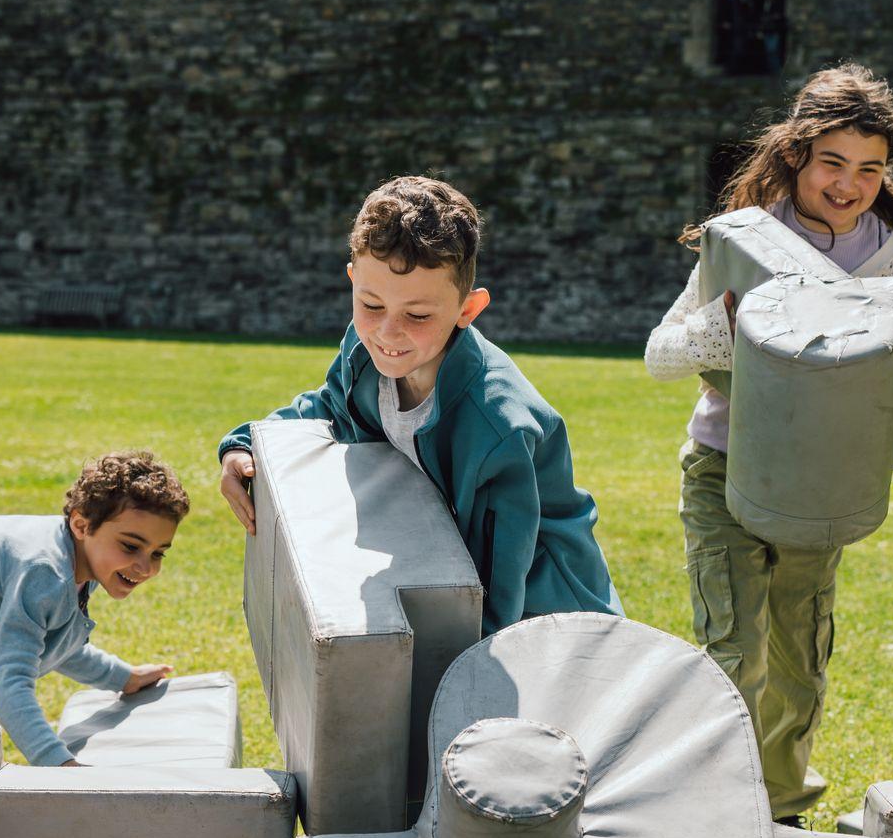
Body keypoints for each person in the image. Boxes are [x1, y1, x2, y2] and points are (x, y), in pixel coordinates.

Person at [645, 63, 893, 826]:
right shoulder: (743, 238)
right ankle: (718, 811)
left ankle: (781, 813)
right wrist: (722, 327)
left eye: (870, 169)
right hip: (723, 468)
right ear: (798, 153)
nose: (849, 184)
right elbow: (659, 354)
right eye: (833, 162)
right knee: (735, 655)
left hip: (823, 482)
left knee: (799, 664)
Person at [217, 176, 620, 635]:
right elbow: (329, 406)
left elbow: (502, 572)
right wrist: (246, 444)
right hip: (442, 573)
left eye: (418, 315)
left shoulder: (499, 426)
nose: (388, 333)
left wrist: (465, 660)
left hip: (551, 615)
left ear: (468, 310)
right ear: (352, 281)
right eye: (371, 304)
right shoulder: (363, 351)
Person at [0, 451, 188, 766]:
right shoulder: (46, 573)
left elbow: (54, 641)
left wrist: (122, 677)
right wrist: (61, 765)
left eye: (158, 553)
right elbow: (10, 684)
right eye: (130, 546)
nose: (145, 567)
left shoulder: (79, 559)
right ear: (81, 525)